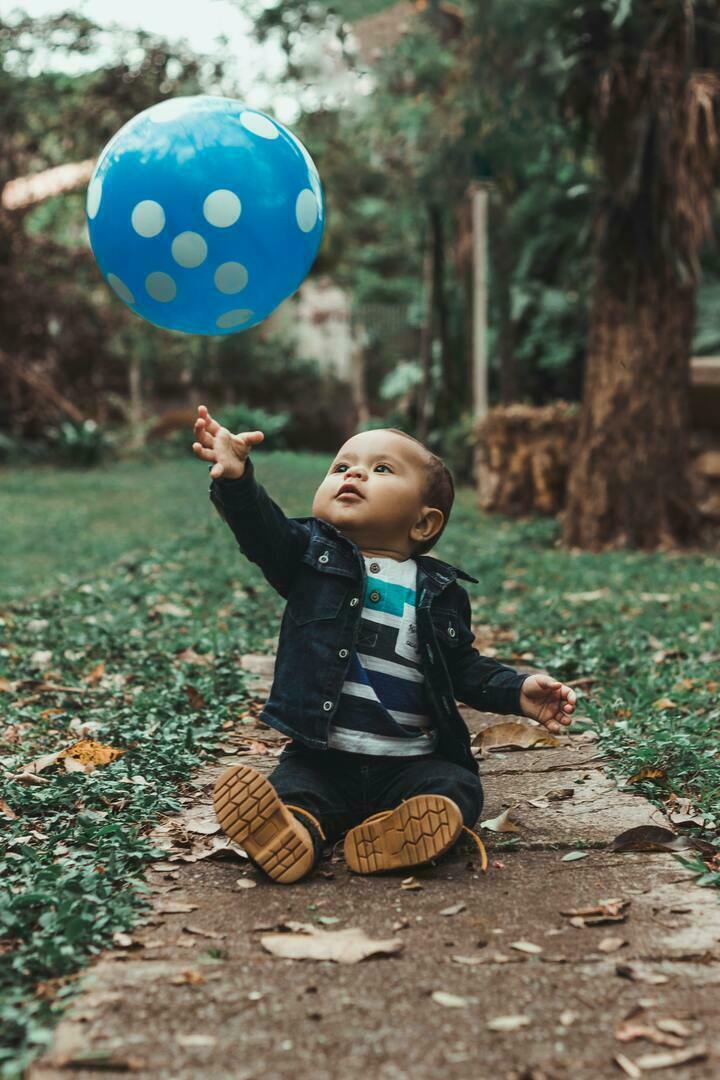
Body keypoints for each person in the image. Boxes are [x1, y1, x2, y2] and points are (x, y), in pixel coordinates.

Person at [192, 404, 576, 884]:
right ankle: (293, 833)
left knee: (458, 788)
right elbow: (261, 530)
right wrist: (235, 478)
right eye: (340, 466)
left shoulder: (440, 590)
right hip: (322, 756)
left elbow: (463, 667)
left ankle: (397, 834)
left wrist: (517, 691)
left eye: (381, 469)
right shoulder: (309, 558)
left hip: (413, 761)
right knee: (293, 791)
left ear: (423, 524)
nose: (353, 471)